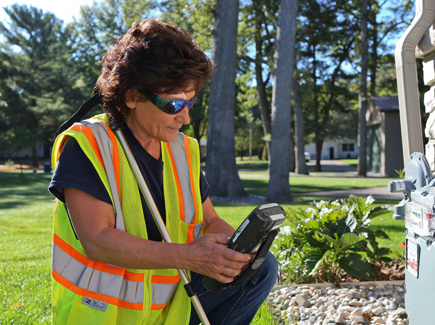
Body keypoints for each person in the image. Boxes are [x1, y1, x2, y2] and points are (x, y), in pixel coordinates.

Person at [48, 18, 278, 325]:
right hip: (102, 314)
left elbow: (209, 220)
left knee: (262, 269)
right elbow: (98, 240)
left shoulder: (183, 149)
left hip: (171, 307)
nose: (184, 118)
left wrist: (237, 253)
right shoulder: (89, 144)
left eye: (190, 102)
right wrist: (189, 256)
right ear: (131, 95)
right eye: (173, 105)